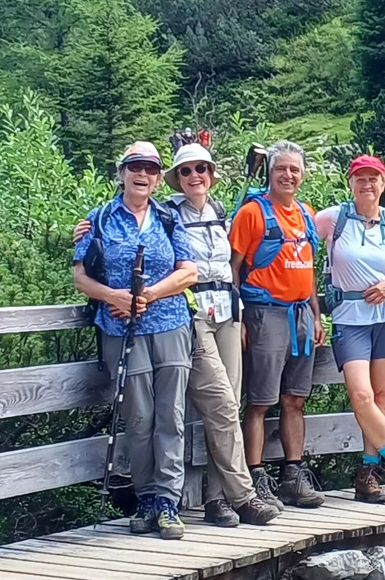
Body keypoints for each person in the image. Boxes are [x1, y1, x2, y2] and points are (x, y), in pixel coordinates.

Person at [81, 142, 283, 527]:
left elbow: (230, 259)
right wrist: (114, 293)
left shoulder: (215, 212)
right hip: (185, 319)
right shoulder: (157, 213)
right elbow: (89, 260)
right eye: (186, 171)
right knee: (169, 412)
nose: (195, 177)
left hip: (218, 314)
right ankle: (216, 498)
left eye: (201, 170)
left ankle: (216, 498)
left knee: (219, 408)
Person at [72, 142, 197, 538]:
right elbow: (80, 277)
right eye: (135, 167)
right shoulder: (99, 219)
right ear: (121, 172)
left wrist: (148, 296)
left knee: (171, 415)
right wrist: (114, 297)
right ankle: (144, 497)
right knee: (139, 417)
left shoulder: (168, 217)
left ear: (160, 178)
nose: (142, 175)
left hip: (170, 324)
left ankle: (167, 500)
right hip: (119, 328)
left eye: (151, 169)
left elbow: (188, 271)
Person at [316, 154, 385, 503]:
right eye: (360, 178)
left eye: (373, 178)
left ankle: (367, 473)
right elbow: (297, 238)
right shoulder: (334, 219)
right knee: (361, 396)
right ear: (350, 183)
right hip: (349, 316)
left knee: (381, 396)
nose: (367, 184)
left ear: (383, 183)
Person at [229, 140, 327, 509]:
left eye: (295, 170)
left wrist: (317, 316)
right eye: (281, 168)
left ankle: (293, 475)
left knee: (295, 399)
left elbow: (310, 272)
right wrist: (237, 317)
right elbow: (233, 269)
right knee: (259, 401)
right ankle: (255, 479)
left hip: (301, 314)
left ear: (302, 175)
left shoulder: (306, 213)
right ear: (270, 172)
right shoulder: (252, 214)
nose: (288, 175)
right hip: (264, 313)